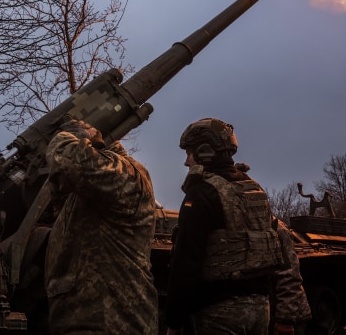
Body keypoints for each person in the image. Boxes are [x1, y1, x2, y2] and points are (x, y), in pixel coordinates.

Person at [165, 118, 311, 335]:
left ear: (205, 152)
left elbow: (186, 263)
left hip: (218, 313)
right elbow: (284, 254)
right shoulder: (253, 190)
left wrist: (174, 322)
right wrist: (287, 314)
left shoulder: (202, 194)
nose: (187, 161)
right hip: (261, 310)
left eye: (189, 153)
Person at [44, 117, 158, 334]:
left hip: (113, 321)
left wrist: (71, 136)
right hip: (90, 320)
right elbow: (63, 188)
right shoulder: (94, 193)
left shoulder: (127, 175)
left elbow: (68, 162)